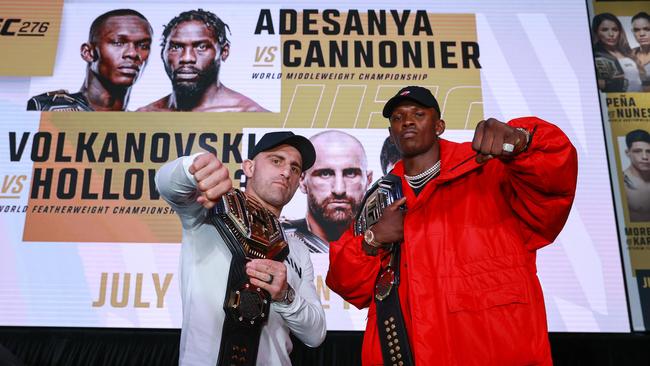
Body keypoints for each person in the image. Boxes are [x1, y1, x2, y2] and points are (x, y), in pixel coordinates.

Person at [326, 86, 578, 365]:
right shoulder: (377, 202)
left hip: (491, 351)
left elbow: (554, 183)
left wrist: (523, 140)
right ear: (391, 134)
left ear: (439, 126)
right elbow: (347, 284)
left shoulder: (491, 171)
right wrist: (373, 238)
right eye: (397, 117)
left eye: (418, 114)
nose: (406, 121)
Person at [156, 131, 326, 365]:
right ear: (249, 167)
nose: (286, 172)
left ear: (299, 182)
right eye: (276, 161)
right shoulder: (209, 210)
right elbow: (166, 185)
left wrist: (285, 295)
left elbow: (315, 334)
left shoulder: (297, 249)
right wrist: (192, 168)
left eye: (295, 168)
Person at [138, 9, 268, 112]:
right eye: (176, 47)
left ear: (224, 52)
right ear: (162, 53)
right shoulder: (144, 115)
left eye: (201, 47)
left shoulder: (251, 114)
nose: (187, 58)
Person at [27, 9, 152, 111]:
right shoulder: (43, 108)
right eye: (118, 43)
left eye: (144, 46)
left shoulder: (145, 128)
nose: (133, 53)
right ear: (88, 53)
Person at [283, 130, 373, 253]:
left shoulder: (385, 244)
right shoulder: (280, 242)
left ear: (368, 180)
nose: (339, 189)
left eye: (351, 173)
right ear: (302, 181)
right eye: (325, 174)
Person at [592, 13, 644, 93]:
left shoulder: (628, 52)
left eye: (615, 29)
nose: (611, 34)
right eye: (605, 30)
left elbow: (639, 81)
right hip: (617, 101)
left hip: (641, 101)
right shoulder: (595, 55)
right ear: (597, 32)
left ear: (620, 32)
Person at [624, 129, 650, 222]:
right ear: (627, 153)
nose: (645, 157)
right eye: (638, 151)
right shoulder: (621, 183)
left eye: (648, 151)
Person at [631, 12, 650, 91]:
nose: (641, 34)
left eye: (647, 29)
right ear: (632, 32)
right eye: (636, 30)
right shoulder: (629, 54)